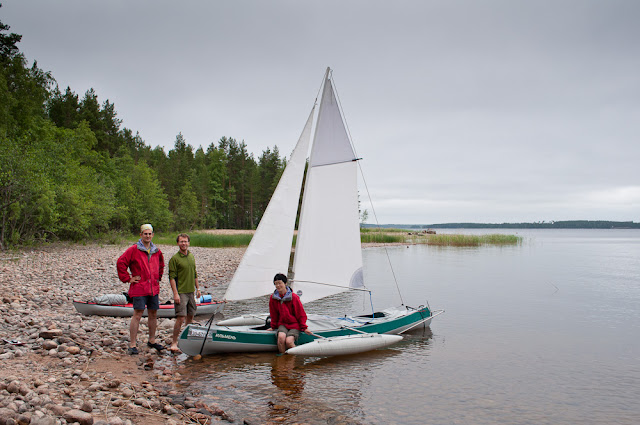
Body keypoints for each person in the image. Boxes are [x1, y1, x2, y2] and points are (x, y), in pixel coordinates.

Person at [116, 224, 165, 355]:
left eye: (149, 234)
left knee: (153, 314)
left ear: (153, 235)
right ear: (141, 235)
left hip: (153, 288)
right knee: (137, 314)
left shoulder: (156, 250)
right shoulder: (134, 249)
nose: (147, 236)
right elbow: (121, 262)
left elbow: (161, 264)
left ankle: (152, 340)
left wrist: (158, 277)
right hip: (139, 287)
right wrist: (127, 278)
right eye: (145, 234)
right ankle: (132, 344)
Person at [168, 233, 201, 352]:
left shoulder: (191, 256)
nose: (184, 243)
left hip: (191, 291)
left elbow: (194, 273)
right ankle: (174, 342)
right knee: (181, 317)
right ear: (178, 243)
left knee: (190, 316)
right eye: (181, 241)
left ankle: (187, 338)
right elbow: (171, 277)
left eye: (186, 241)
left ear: (189, 243)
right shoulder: (175, 259)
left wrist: (198, 288)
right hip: (181, 292)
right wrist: (175, 293)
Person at [266, 273, 312, 353]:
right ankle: (283, 357)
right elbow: (273, 313)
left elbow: (300, 313)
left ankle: (295, 358)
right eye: (276, 284)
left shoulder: (294, 297)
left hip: (294, 324)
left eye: (280, 283)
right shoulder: (273, 298)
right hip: (283, 324)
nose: (278, 286)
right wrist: (273, 326)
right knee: (281, 338)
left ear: (285, 283)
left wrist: (304, 327)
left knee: (289, 341)